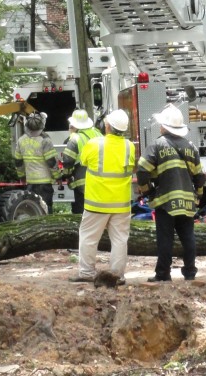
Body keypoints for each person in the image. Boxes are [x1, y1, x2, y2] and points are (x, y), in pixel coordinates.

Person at [137, 104, 205, 282]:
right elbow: (200, 177)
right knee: (188, 237)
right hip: (187, 201)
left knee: (165, 239)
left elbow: (142, 171)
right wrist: (198, 196)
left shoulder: (157, 145)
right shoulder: (191, 147)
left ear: (163, 126)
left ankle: (163, 274)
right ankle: (190, 272)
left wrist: (148, 191)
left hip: (165, 202)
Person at [69, 108, 136, 284]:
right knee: (120, 240)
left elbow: (82, 161)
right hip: (121, 204)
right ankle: (117, 275)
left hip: (96, 203)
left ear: (107, 126)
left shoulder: (94, 144)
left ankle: (87, 273)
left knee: (89, 238)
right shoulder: (130, 146)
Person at [13, 112, 57, 213]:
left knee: (33, 211)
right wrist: (57, 176)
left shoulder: (21, 140)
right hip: (44, 183)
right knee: (45, 210)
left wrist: (22, 177)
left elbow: (18, 162)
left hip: (30, 183)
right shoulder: (45, 140)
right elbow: (51, 161)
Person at [60, 108, 100, 215]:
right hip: (101, 183)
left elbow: (68, 161)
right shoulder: (98, 134)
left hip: (83, 185)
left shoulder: (75, 139)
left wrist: (67, 176)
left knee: (81, 215)